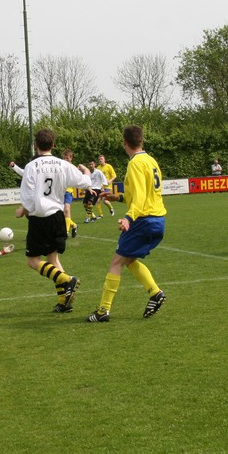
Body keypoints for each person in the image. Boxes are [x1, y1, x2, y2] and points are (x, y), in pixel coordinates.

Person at [87, 125, 168, 323]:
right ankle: (155, 293)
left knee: (117, 261)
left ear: (124, 142)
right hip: (158, 219)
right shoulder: (151, 160)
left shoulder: (135, 163)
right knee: (128, 259)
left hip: (143, 219)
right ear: (142, 140)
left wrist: (128, 218)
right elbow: (145, 194)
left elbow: (140, 197)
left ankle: (103, 311)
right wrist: (118, 197)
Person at [19, 129, 94, 313]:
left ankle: (67, 280)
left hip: (39, 219)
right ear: (53, 145)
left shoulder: (31, 166)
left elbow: (28, 197)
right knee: (52, 258)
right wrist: (86, 172)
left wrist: (24, 210)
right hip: (57, 217)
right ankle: (64, 302)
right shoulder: (63, 164)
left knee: (32, 261)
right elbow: (85, 182)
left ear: (36, 145)